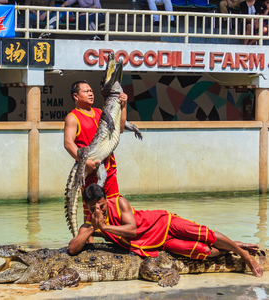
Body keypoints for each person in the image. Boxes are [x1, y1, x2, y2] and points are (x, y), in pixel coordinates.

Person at [68, 183, 264, 277]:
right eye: (93, 207)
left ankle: (244, 255)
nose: (98, 210)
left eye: (101, 205)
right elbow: (72, 249)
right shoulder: (90, 224)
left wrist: (103, 226)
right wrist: (92, 229)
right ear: (87, 207)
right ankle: (235, 245)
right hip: (159, 243)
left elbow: (132, 230)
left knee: (207, 235)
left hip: (163, 222)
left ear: (105, 200)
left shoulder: (119, 202)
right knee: (204, 251)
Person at [64, 80, 127, 243]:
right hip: (90, 171)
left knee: (113, 208)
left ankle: (115, 242)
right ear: (76, 96)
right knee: (92, 211)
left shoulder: (100, 112)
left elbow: (120, 128)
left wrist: (124, 105)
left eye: (91, 90)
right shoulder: (72, 117)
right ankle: (88, 246)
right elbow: (68, 143)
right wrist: (84, 163)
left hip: (109, 167)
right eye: (86, 91)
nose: (91, 93)